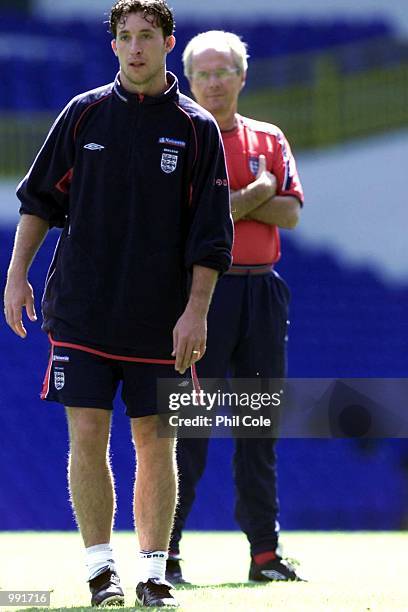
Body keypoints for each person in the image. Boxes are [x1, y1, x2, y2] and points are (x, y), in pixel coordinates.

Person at [3, 4, 232, 608]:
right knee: (86, 434)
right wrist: (17, 275)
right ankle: (101, 570)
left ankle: (154, 572)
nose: (135, 48)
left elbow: (211, 235)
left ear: (166, 42)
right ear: (114, 46)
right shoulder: (82, 115)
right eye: (125, 37)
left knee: (157, 439)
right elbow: (38, 204)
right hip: (82, 310)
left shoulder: (196, 128)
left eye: (146, 37)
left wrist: (197, 311)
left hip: (162, 320)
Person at [166, 30, 304, 585]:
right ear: (189, 78)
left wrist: (230, 204)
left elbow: (291, 213)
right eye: (204, 72)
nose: (215, 81)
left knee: (257, 428)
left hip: (261, 292)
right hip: (202, 296)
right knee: (189, 428)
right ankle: (165, 552)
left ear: (243, 77)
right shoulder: (176, 137)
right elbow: (183, 222)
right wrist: (254, 195)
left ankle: (264, 556)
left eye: (225, 71)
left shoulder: (268, 137)